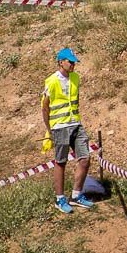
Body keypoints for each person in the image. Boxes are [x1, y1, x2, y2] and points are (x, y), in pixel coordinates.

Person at [41, 47, 95, 215]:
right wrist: (49, 130)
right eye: (70, 62)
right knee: (61, 162)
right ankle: (60, 199)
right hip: (59, 126)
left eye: (74, 62)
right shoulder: (51, 81)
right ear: (60, 62)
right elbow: (45, 107)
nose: (73, 65)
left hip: (76, 124)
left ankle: (76, 195)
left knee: (85, 158)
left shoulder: (76, 78)